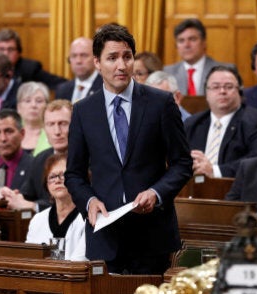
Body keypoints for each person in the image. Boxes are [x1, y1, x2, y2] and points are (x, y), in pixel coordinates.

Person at [65, 24, 192, 275]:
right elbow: (74, 175)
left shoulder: (161, 103)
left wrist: (156, 193)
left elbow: (182, 163)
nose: (121, 66)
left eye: (127, 56)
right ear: (97, 63)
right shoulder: (83, 111)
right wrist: (89, 202)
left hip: (152, 236)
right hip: (105, 238)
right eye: (112, 58)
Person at [184, 65, 257, 178]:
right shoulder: (192, 123)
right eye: (215, 87)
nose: (222, 91)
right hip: (193, 187)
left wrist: (215, 171)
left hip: (235, 188)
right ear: (207, 94)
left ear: (239, 91)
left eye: (229, 87)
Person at [2, 99, 73, 212]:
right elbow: (27, 195)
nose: (57, 131)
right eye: (50, 124)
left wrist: (34, 207)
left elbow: (76, 203)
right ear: (44, 129)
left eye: (63, 124)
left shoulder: (91, 158)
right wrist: (11, 196)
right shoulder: (40, 158)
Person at [25, 153, 86, 261]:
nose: (57, 180)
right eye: (52, 177)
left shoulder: (89, 218)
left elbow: (81, 262)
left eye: (63, 175)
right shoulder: (37, 220)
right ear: (46, 184)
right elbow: (29, 258)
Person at [163, 18, 240, 96]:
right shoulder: (167, 73)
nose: (186, 45)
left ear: (204, 43)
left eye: (192, 39)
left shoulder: (226, 70)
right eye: (181, 41)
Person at [0, 28, 66, 90]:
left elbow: (61, 84)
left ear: (19, 52)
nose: (5, 53)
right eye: (1, 49)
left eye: (10, 49)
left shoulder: (30, 68)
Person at [54, 37, 103, 103]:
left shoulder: (106, 87)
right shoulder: (62, 89)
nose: (78, 61)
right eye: (74, 56)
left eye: (84, 55)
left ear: (96, 59)